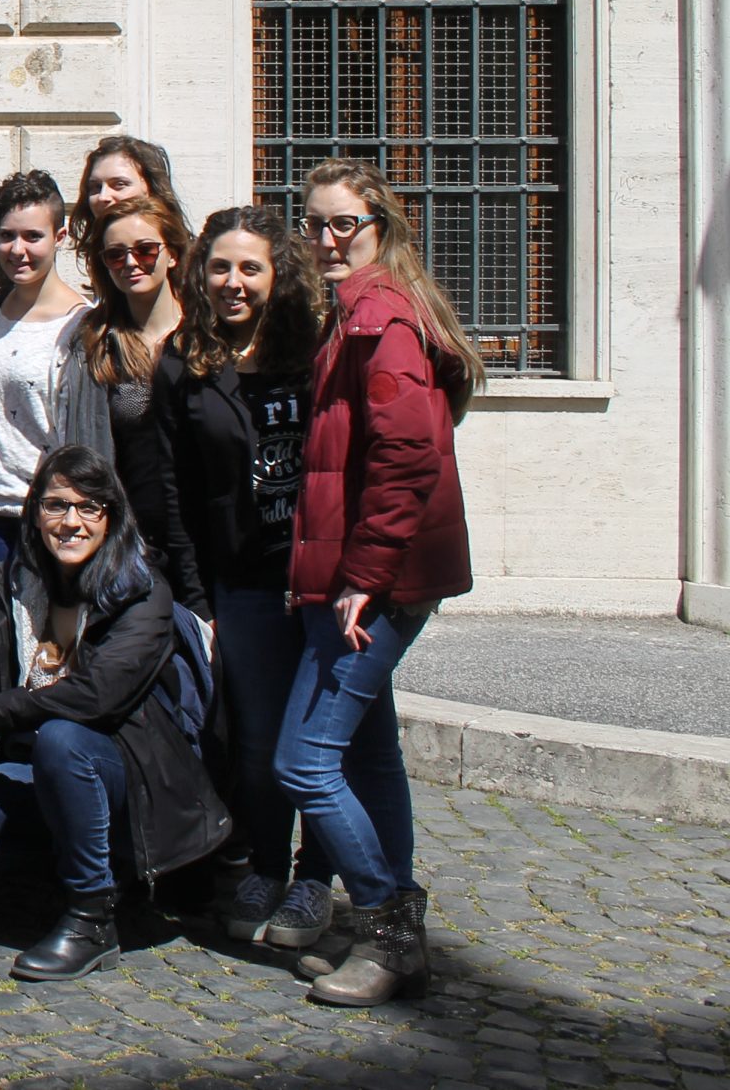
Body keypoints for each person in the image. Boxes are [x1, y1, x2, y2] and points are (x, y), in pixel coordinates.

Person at [278, 158, 478, 1007]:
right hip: (367, 576)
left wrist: (361, 576)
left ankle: (389, 926)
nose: (325, 239)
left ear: (379, 229)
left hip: (377, 582)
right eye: (314, 224)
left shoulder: (381, 319)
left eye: (341, 225)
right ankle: (386, 932)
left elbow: (407, 455)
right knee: (369, 753)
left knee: (305, 761)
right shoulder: (361, 310)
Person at [0, 448, 229, 981]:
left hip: (134, 783)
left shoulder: (141, 591)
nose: (71, 522)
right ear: (34, 512)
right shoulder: (11, 583)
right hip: (38, 778)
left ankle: (92, 916)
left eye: (90, 507)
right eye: (57, 505)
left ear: (112, 516)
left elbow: (96, 696)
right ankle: (67, 870)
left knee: (63, 738)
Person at [157, 205, 334, 949]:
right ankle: (266, 863)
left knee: (326, 737)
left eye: (250, 267)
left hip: (322, 574)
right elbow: (176, 492)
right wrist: (200, 598)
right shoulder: (184, 359)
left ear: (277, 274)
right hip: (245, 579)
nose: (233, 282)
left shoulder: (316, 348)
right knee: (259, 737)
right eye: (221, 267)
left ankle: (317, 875)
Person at [0, 172, 106, 571]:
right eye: (7, 236)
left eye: (32, 237)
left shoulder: (83, 327)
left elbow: (89, 438)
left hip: (53, 520)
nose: (17, 250)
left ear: (59, 238)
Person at [76, 195, 203, 608]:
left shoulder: (204, 338)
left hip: (205, 540)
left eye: (146, 250)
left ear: (173, 254)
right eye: (116, 255)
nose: (132, 263)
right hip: (135, 545)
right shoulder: (98, 343)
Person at [71, 134, 188, 264]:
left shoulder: (194, 267)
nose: (103, 196)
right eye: (96, 187)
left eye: (119, 184)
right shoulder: (98, 261)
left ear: (149, 187)